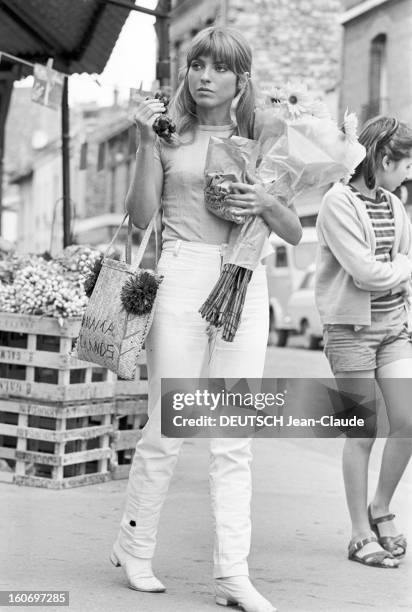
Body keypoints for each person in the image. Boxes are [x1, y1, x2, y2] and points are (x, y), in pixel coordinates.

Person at [110, 26, 302, 612]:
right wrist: (146, 142)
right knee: (168, 426)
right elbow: (142, 217)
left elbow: (293, 230)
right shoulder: (169, 136)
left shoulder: (267, 141)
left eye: (218, 67)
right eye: (197, 65)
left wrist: (265, 202)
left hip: (245, 278)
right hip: (182, 273)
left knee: (234, 435)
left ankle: (232, 574)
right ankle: (135, 545)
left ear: (241, 79)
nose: (203, 76)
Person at [315, 115, 412, 569]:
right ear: (383, 158)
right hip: (350, 331)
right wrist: (407, 267)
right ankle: (358, 534)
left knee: (408, 420)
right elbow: (366, 272)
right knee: (363, 431)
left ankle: (381, 508)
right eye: (405, 165)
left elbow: (394, 264)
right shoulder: (337, 202)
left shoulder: (394, 204)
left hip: (394, 325)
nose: (408, 175)